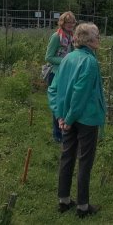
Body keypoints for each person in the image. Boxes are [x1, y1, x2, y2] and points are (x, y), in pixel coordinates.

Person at [47, 23, 106, 218]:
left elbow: (53, 89)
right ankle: (82, 206)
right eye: (97, 36)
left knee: (67, 156)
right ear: (89, 40)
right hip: (86, 118)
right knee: (85, 161)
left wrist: (60, 115)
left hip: (67, 117)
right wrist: (69, 118)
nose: (99, 39)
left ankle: (63, 200)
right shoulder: (89, 62)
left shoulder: (67, 58)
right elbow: (81, 94)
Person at [45, 11, 76, 142]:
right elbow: (49, 57)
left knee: (66, 102)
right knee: (57, 104)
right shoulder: (56, 37)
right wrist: (65, 60)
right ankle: (57, 135)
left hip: (68, 73)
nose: (70, 25)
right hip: (55, 73)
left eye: (72, 22)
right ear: (62, 23)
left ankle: (65, 130)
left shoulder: (72, 36)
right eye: (68, 22)